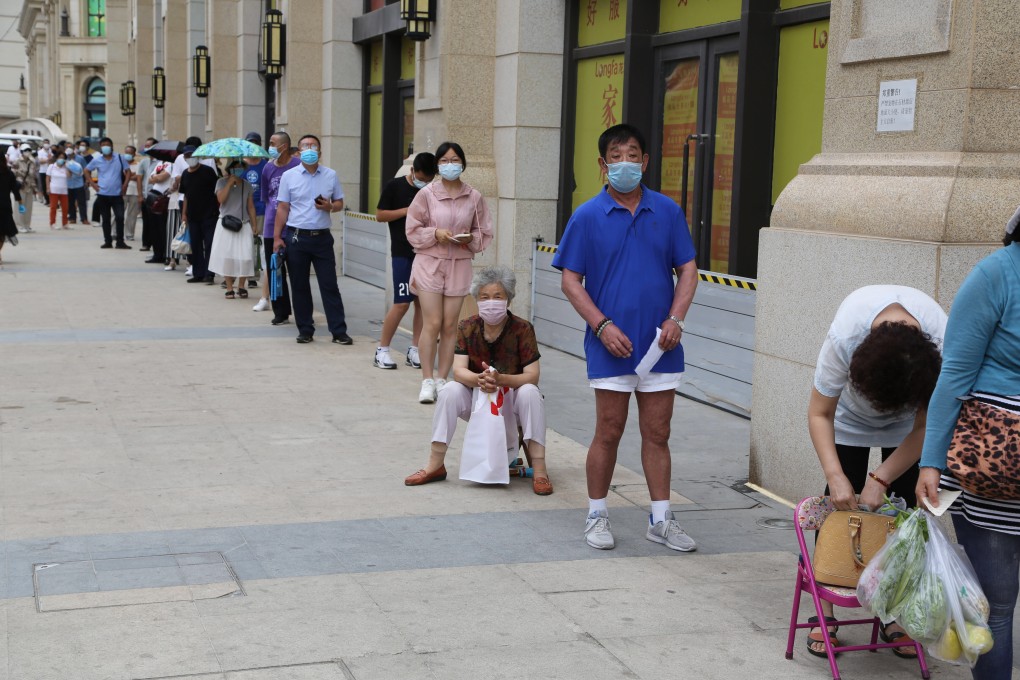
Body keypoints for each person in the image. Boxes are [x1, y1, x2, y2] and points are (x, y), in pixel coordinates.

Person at [552, 123, 699, 553]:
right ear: (602, 165)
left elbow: (687, 270)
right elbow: (571, 281)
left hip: (661, 345)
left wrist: (677, 319)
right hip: (610, 345)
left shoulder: (667, 212)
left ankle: (661, 519)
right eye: (615, 156)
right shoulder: (586, 216)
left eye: (632, 154)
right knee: (609, 430)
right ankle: (597, 513)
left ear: (646, 161)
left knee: (658, 432)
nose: (625, 163)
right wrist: (601, 325)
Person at [805, 284, 945, 657]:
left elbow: (928, 425)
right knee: (840, 510)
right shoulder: (846, 333)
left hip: (909, 430)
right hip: (847, 419)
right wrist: (836, 476)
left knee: (902, 517)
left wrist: (882, 478)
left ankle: (892, 611)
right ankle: (827, 611)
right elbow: (820, 413)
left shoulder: (941, 340)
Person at [916, 208, 1020, 680]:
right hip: (991, 471)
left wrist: (933, 461)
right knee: (995, 607)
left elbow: (957, 374)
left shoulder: (996, 274)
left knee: (995, 608)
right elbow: (953, 375)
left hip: (990, 462)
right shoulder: (998, 273)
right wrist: (931, 461)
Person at [404, 266, 553, 495]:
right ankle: (435, 464)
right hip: (477, 398)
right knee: (449, 391)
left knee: (530, 391)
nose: (491, 302)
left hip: (512, 402)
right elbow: (459, 371)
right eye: (484, 297)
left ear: (508, 300)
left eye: (497, 297)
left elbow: (533, 374)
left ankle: (540, 470)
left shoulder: (522, 329)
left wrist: (502, 379)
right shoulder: (467, 326)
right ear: (476, 299)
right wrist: (480, 379)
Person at [405, 141, 493, 403]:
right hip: (430, 262)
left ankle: (443, 378)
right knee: (431, 323)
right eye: (444, 160)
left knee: (450, 325)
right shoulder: (427, 194)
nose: (449, 165)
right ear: (437, 164)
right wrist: (435, 233)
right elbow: (412, 228)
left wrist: (469, 240)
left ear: (463, 164)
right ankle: (427, 380)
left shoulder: (474, 196)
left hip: (459, 263)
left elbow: (483, 231)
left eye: (454, 160)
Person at [272, 133, 352, 345]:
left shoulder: (330, 175)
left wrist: (330, 207)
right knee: (299, 285)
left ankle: (338, 330)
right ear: (298, 152)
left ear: (320, 151)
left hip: (322, 238)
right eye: (305, 146)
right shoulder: (289, 176)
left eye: (313, 146)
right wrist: (277, 237)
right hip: (297, 237)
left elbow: (339, 202)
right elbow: (282, 208)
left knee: (329, 285)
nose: (309, 149)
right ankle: (305, 329)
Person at [374, 152, 437, 370]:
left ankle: (415, 349)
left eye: (429, 180)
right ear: (412, 171)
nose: (425, 184)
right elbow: (380, 215)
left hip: (426, 253)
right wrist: (406, 211)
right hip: (402, 253)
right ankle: (382, 350)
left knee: (422, 303)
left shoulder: (433, 191)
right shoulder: (395, 186)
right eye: (421, 179)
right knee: (401, 303)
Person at [259, 131, 299, 323]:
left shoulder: (297, 165)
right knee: (275, 271)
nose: (271, 147)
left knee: (297, 271)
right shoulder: (267, 168)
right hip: (271, 226)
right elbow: (266, 196)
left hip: (293, 226)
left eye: (273, 143)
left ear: (284, 146)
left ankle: (302, 311)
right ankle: (280, 312)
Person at [209, 159, 258, 299]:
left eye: (240, 168)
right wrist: (229, 183)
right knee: (228, 257)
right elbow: (220, 200)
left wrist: (254, 225)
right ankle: (229, 287)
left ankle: (241, 286)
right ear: (230, 169)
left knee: (245, 257)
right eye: (235, 168)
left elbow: (251, 207)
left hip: (243, 223)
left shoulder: (247, 185)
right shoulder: (221, 182)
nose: (238, 170)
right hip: (226, 224)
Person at [178, 145, 220, 284]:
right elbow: (186, 196)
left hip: (209, 214)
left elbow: (216, 191)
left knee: (209, 244)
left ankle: (209, 273)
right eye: (187, 156)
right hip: (192, 215)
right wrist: (184, 214)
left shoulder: (207, 171)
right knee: (195, 244)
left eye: (192, 155)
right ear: (184, 158)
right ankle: (198, 273)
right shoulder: (185, 174)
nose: (190, 158)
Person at [86, 137, 131, 249]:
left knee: (120, 217)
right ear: (101, 147)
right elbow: (86, 170)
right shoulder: (97, 160)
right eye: (103, 145)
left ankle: (120, 241)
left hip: (117, 194)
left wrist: (125, 184)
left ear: (112, 146)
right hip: (103, 194)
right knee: (105, 219)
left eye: (108, 144)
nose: (106, 146)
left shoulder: (120, 158)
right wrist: (93, 184)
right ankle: (108, 241)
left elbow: (128, 172)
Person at [243, 132, 268, 293]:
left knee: (261, 245)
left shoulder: (266, 164)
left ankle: (259, 274)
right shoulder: (240, 164)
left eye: (255, 143)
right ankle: (250, 276)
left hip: (262, 209)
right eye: (249, 143)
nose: (252, 146)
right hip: (244, 211)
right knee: (247, 245)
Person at [146, 153, 175, 267]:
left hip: (164, 199)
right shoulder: (159, 164)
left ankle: (165, 255)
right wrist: (156, 177)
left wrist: (156, 177)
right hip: (153, 196)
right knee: (154, 228)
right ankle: (157, 254)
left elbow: (162, 177)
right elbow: (150, 179)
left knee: (163, 228)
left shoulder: (171, 165)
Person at [137, 137, 156, 251]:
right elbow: (139, 178)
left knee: (156, 223)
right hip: (146, 196)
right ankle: (146, 243)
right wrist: (140, 195)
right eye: (146, 146)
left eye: (149, 146)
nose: (147, 148)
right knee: (147, 222)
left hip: (157, 197)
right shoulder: (144, 162)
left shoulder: (160, 162)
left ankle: (157, 244)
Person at [12, 145, 37, 233]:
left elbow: (33, 175)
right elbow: (13, 173)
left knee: (28, 207)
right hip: (20, 186)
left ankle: (27, 225)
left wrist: (34, 187)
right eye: (26, 150)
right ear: (22, 151)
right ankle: (19, 225)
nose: (28, 152)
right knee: (20, 207)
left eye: (29, 150)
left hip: (29, 186)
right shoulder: (17, 161)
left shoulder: (32, 161)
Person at [0, 155, 20, 263]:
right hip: (5, 206)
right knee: (2, 232)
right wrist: (20, 201)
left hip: (4, 206)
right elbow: (15, 188)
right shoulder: (8, 173)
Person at [121, 145, 143, 242]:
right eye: (126, 152)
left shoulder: (138, 165)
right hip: (122, 192)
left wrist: (127, 176)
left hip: (134, 192)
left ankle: (129, 234)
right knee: (118, 213)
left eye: (130, 153)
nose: (128, 155)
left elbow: (139, 178)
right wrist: (132, 176)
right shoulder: (120, 164)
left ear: (134, 154)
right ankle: (116, 232)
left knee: (132, 215)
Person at [45, 151, 70, 229]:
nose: (61, 159)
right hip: (54, 189)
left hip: (63, 190)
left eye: (63, 158)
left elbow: (69, 176)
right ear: (56, 158)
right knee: (53, 207)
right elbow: (47, 177)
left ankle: (65, 223)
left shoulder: (65, 167)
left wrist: (67, 167)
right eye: (60, 158)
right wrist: (48, 187)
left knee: (65, 207)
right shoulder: (51, 166)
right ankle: (52, 223)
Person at [66, 145, 88, 226]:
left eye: (71, 154)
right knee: (70, 202)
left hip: (79, 183)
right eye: (68, 155)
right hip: (68, 184)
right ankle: (72, 218)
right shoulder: (65, 160)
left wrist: (86, 181)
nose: (69, 156)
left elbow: (85, 169)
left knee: (82, 202)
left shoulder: (80, 159)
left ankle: (84, 218)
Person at [37, 140, 50, 205]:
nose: (46, 144)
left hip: (50, 171)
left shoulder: (50, 151)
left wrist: (46, 160)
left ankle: (50, 200)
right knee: (44, 186)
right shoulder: (40, 152)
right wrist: (48, 159)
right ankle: (47, 200)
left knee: (50, 185)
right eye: (45, 143)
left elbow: (52, 160)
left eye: (47, 143)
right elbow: (40, 161)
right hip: (43, 171)